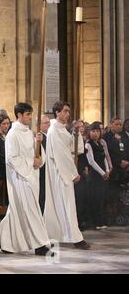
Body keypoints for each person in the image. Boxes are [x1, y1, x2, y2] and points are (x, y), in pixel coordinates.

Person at [0, 103, 51, 255]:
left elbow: (38, 154)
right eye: (28, 114)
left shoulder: (30, 132)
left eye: (31, 114)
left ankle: (3, 240)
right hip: (20, 177)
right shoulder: (13, 133)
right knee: (31, 210)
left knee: (17, 210)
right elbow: (12, 158)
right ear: (19, 115)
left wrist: (39, 144)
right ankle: (40, 244)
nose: (31, 117)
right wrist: (32, 162)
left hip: (31, 176)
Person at [44, 102, 90, 250]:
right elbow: (62, 155)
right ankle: (76, 238)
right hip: (60, 173)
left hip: (64, 171)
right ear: (57, 112)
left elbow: (75, 149)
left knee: (65, 205)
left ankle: (63, 235)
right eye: (65, 111)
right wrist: (73, 173)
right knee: (66, 205)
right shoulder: (54, 130)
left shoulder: (62, 130)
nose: (68, 114)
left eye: (68, 111)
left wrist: (76, 133)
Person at [102, 118, 129, 225]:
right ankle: (110, 218)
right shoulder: (106, 137)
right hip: (112, 170)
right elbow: (108, 153)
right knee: (111, 195)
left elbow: (126, 150)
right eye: (116, 124)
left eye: (120, 124)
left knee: (120, 196)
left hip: (123, 171)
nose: (119, 126)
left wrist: (127, 161)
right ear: (111, 124)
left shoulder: (123, 137)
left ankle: (119, 217)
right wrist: (119, 162)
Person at [85, 122, 111, 230]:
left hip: (103, 174)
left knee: (101, 198)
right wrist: (102, 173)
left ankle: (101, 221)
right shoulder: (88, 144)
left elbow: (104, 157)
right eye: (93, 131)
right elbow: (91, 161)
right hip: (95, 174)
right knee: (95, 198)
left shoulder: (100, 144)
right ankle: (96, 222)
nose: (95, 134)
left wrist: (107, 170)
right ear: (89, 133)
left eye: (97, 131)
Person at [39, 115, 51, 214]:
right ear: (39, 125)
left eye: (49, 122)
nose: (49, 124)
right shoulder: (39, 138)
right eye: (46, 123)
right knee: (43, 196)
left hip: (50, 170)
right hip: (43, 171)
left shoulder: (50, 136)